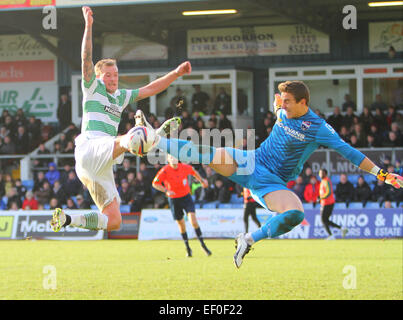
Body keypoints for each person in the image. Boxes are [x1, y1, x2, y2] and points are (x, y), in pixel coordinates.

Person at [140, 80, 403, 269]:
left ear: (303, 103)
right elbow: (277, 103)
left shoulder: (318, 127)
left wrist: (382, 174)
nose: (283, 105)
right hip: (250, 160)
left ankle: (248, 239)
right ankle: (154, 141)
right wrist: (278, 100)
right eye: (282, 101)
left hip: (270, 181)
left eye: (288, 102)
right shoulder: (282, 110)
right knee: (207, 153)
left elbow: (350, 153)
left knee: (296, 214)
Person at [50, 6, 191, 233]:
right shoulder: (92, 88)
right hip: (91, 147)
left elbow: (150, 88)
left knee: (114, 221)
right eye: (108, 74)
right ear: (98, 76)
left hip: (99, 166)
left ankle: (67, 220)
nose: (113, 78)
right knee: (133, 138)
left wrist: (176, 73)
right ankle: (148, 132)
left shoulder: (122, 96)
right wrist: (88, 25)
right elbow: (86, 57)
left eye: (115, 74)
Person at [152, 154, 211, 257]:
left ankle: (203, 245)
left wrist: (202, 181)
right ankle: (188, 247)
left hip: (186, 197)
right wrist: (166, 191)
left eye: (175, 157)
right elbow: (155, 183)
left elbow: (193, 172)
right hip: (174, 200)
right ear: (168, 159)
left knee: (193, 221)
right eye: (171, 157)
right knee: (181, 226)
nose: (173, 159)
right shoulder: (165, 170)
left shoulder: (184, 167)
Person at [318, 169, 347, 240]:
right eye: (320, 173)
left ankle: (331, 235)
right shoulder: (323, 181)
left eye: (322, 173)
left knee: (323, 220)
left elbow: (329, 192)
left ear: (325, 174)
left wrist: (321, 198)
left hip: (328, 203)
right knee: (325, 220)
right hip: (325, 202)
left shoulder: (326, 180)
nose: (320, 174)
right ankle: (341, 229)